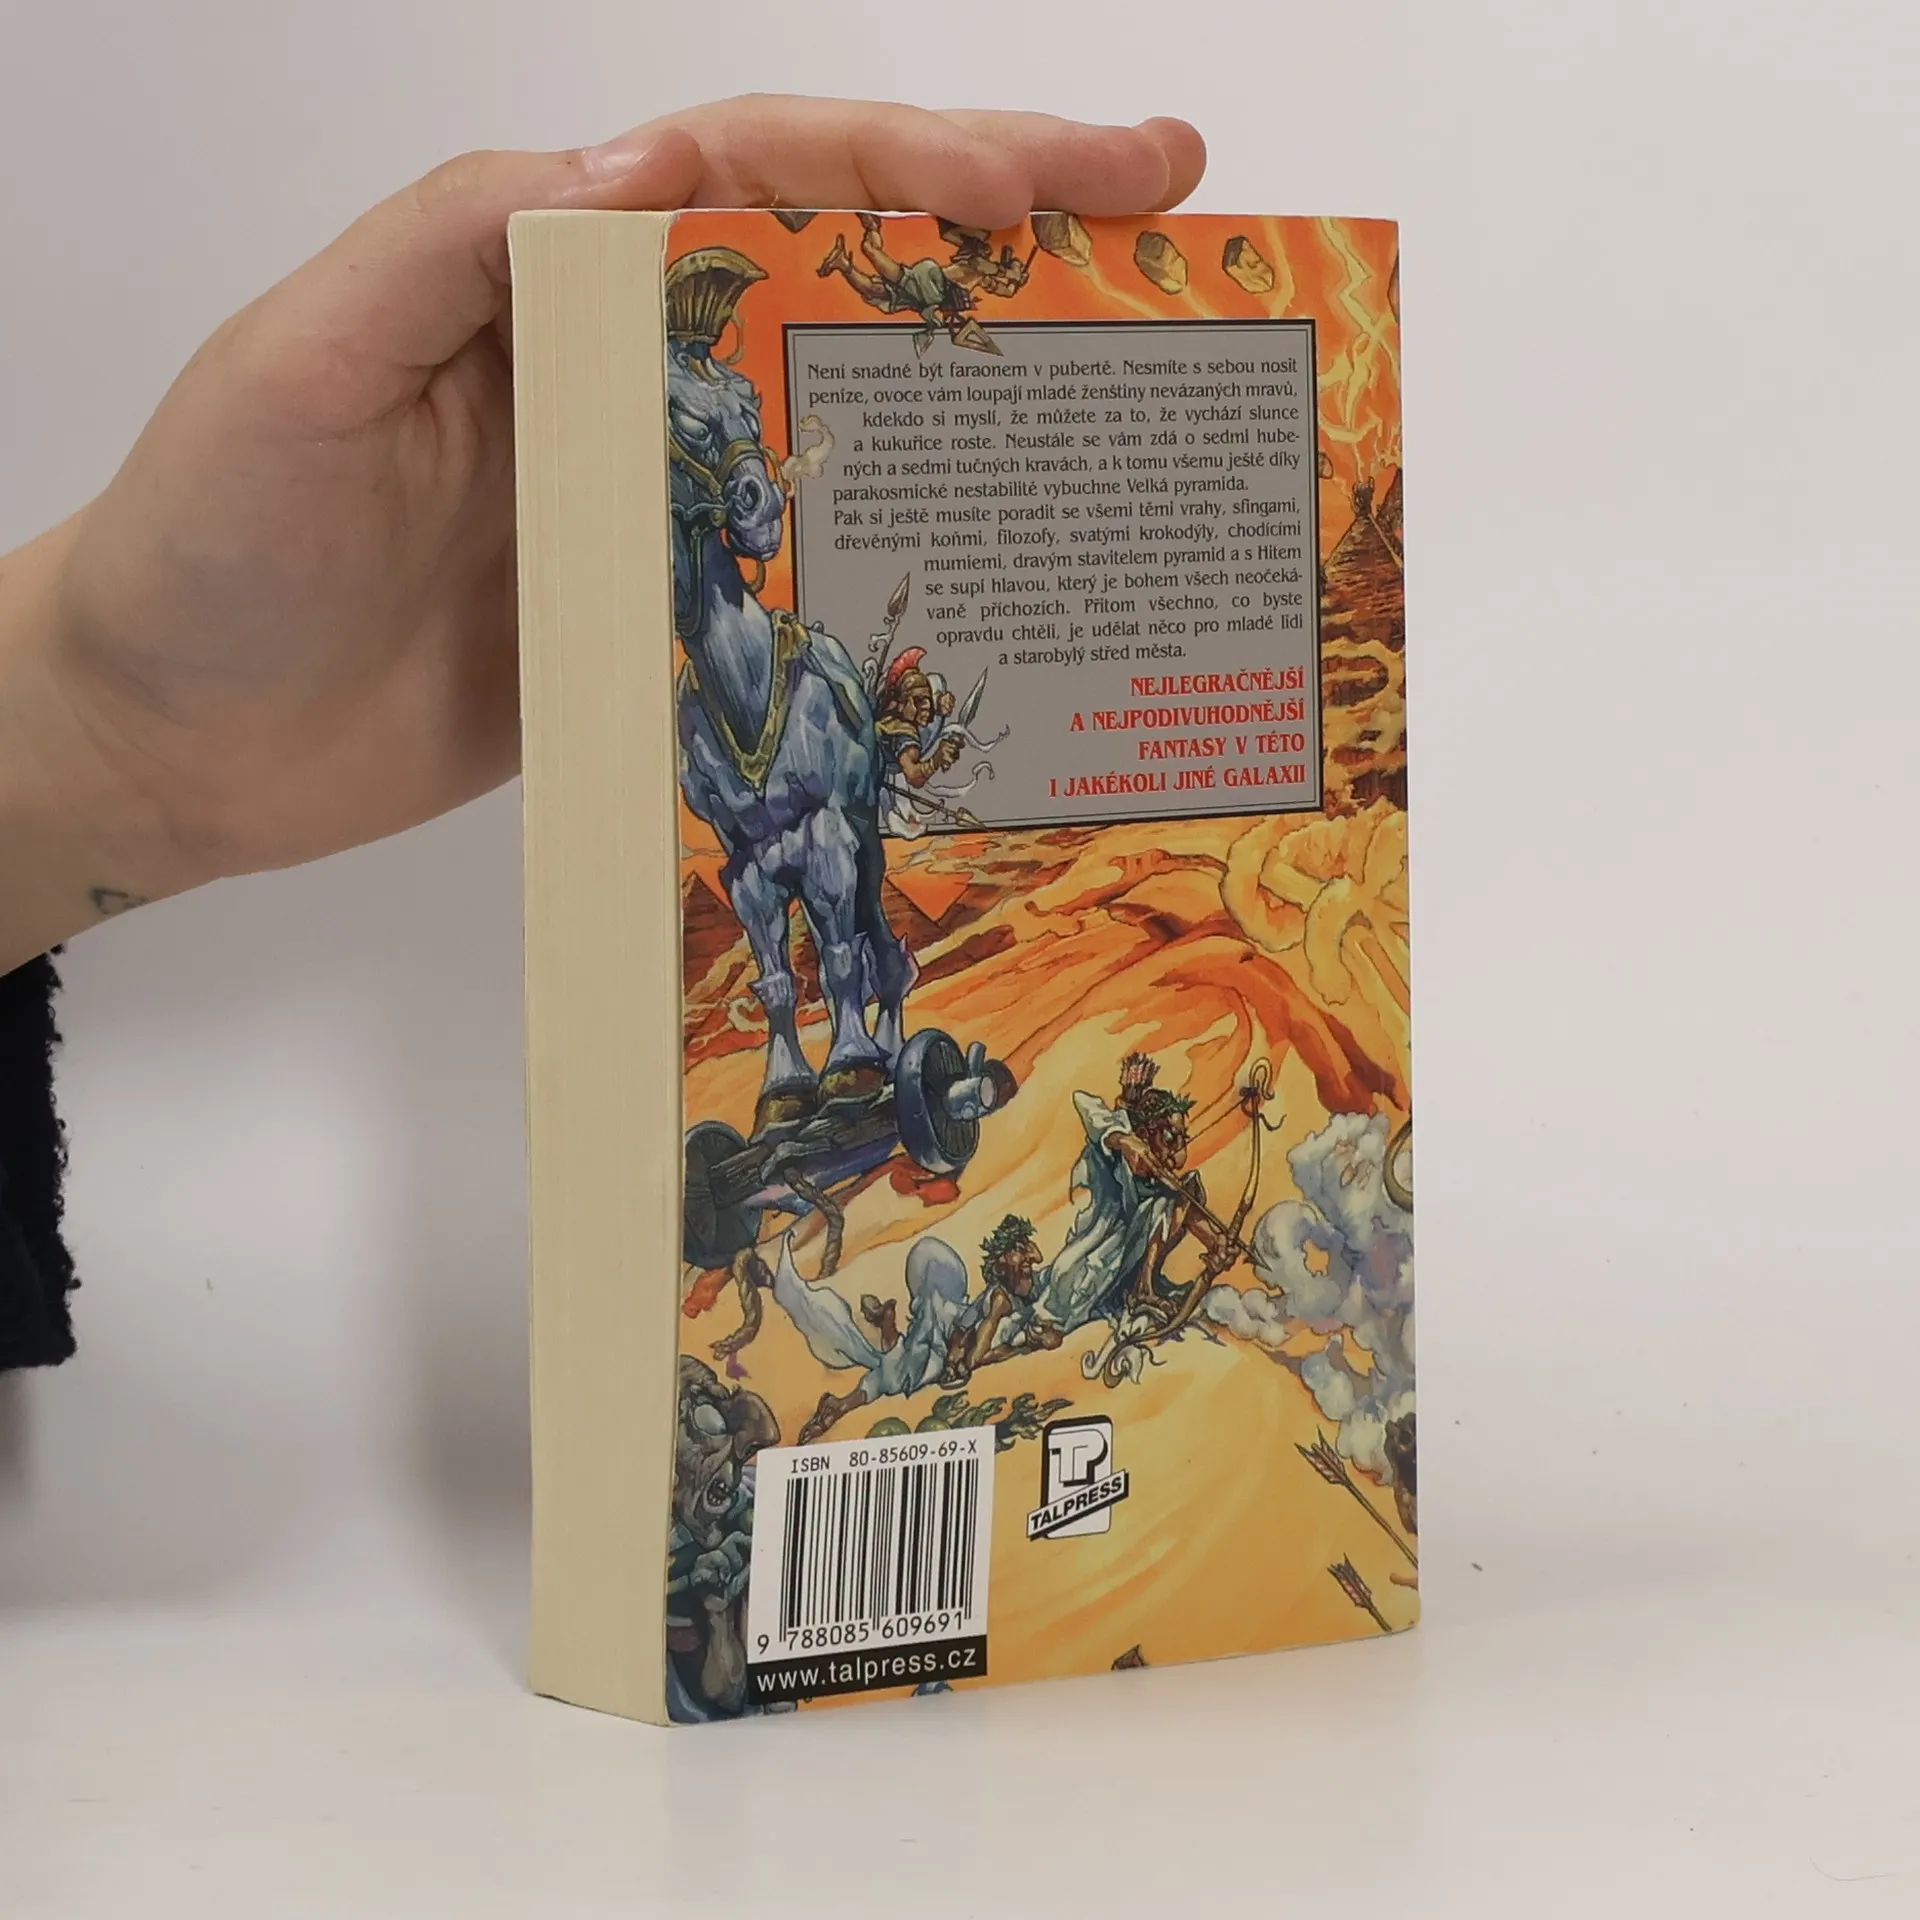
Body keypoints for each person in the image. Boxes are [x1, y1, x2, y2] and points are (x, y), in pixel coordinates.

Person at [0, 94, 1207, 1370]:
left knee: (832, 869)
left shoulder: (722, 409)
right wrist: (106, 720)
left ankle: (860, 1027)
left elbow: (752, 501)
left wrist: (101, 727)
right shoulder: (655, 412)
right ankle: (789, 1046)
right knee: (749, 859)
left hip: (760, 647)